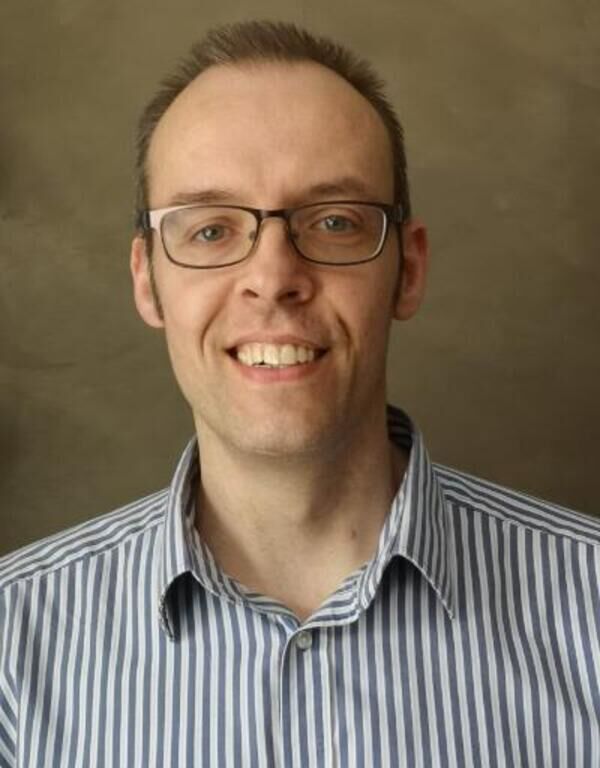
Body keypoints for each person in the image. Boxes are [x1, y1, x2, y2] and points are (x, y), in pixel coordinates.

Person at [0, 19, 598, 768]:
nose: (273, 277)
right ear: (147, 279)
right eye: (211, 231)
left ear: (408, 271)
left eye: (335, 222)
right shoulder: (13, 649)